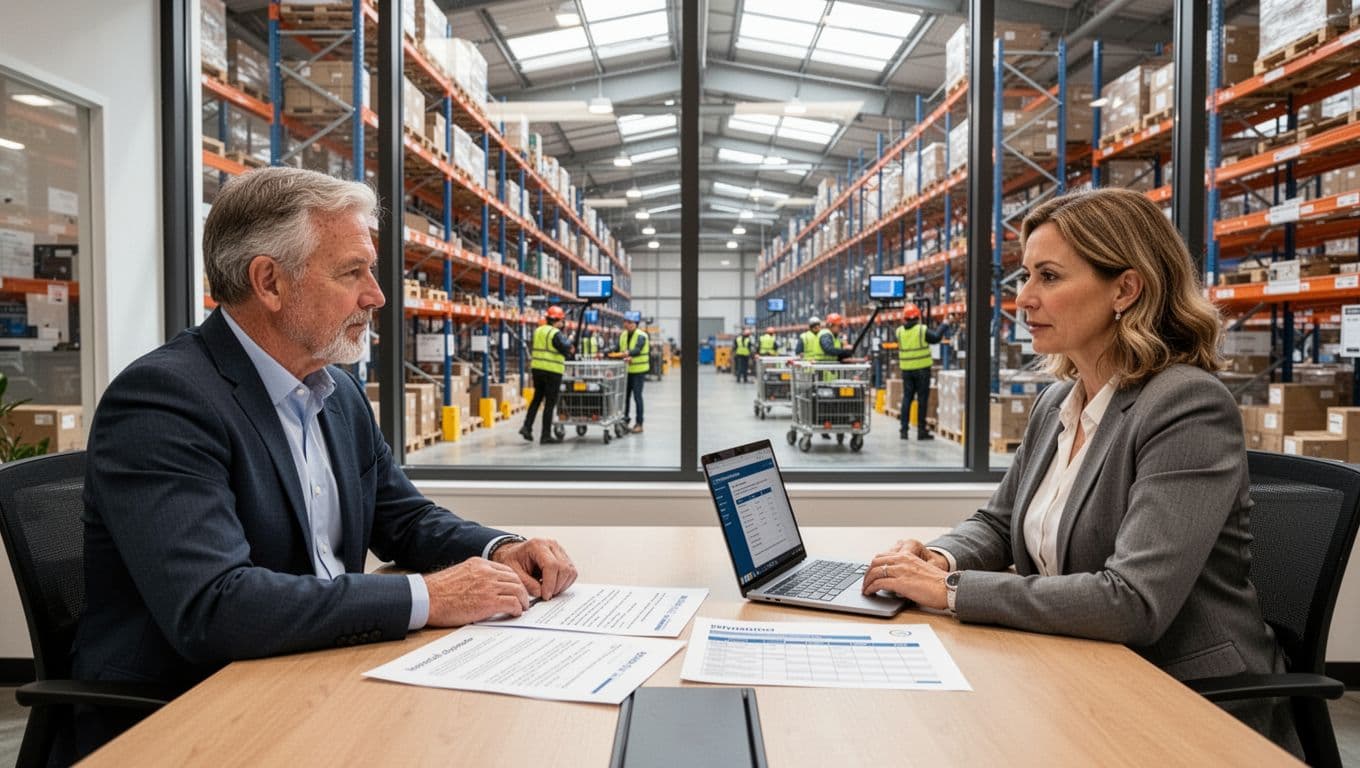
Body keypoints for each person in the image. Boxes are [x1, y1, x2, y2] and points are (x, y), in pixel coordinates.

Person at [73, 168, 579, 756]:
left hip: (310, 674)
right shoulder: (165, 401)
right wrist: (429, 597)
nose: (377, 295)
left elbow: (406, 520)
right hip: (190, 714)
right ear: (269, 282)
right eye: (352, 272)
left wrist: (500, 549)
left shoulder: (334, 393)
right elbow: (215, 605)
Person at [858, 188, 1300, 754]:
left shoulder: (1187, 406)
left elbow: (1132, 602)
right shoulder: (1057, 403)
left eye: (1048, 277)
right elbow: (998, 525)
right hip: (1084, 668)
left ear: (1125, 288)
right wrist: (937, 557)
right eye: (1023, 277)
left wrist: (947, 590)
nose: (1023, 300)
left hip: (1186, 698)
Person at [521, 305, 575, 444]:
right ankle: (545, 435)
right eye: (562, 321)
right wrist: (570, 346)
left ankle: (527, 427)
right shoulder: (555, 333)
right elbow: (566, 349)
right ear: (557, 320)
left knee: (537, 399)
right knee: (550, 403)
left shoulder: (538, 330)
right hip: (552, 371)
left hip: (537, 369)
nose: (563, 324)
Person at [895, 304, 949, 441]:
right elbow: (936, 337)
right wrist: (944, 324)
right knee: (922, 400)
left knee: (907, 398)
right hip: (922, 371)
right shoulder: (921, 330)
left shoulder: (899, 332)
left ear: (905, 318)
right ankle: (921, 430)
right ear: (918, 317)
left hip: (906, 370)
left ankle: (903, 430)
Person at [620, 315, 649, 433]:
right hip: (627, 371)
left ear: (635, 324)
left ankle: (639, 423)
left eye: (630, 322)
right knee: (625, 398)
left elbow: (637, 349)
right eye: (626, 322)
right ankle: (625, 421)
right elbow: (617, 347)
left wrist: (628, 353)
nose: (627, 324)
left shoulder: (641, 335)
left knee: (637, 397)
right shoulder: (623, 335)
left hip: (638, 371)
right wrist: (606, 352)